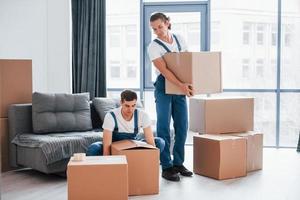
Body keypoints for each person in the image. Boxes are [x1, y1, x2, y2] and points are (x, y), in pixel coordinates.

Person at [147, 12, 194, 182]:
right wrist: (181, 85)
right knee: (164, 127)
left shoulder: (180, 39)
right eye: (154, 29)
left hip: (181, 85)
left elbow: (188, 62)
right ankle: (166, 166)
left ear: (167, 23)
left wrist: (188, 85)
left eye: (160, 27)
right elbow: (165, 71)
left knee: (182, 126)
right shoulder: (153, 46)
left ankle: (178, 163)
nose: (157, 31)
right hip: (163, 86)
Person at [86, 89, 165, 156]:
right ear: (121, 103)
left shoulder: (143, 115)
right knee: (93, 148)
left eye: (133, 105)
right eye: (127, 106)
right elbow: (107, 146)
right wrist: (108, 162)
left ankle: (138, 162)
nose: (130, 110)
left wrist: (152, 159)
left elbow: (150, 142)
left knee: (160, 142)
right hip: (113, 145)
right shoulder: (111, 116)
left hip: (133, 144)